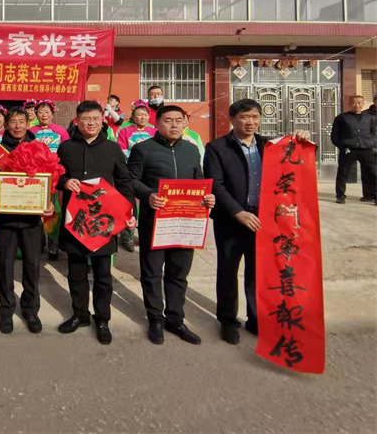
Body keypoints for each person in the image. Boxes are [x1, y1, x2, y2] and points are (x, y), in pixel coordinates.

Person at [204, 99, 311, 344]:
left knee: (258, 272)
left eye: (254, 117)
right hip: (231, 220)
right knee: (228, 271)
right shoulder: (217, 147)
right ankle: (227, 320)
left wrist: (301, 139)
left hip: (264, 221)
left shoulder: (270, 146)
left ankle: (255, 318)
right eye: (244, 117)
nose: (250, 122)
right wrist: (238, 212)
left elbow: (296, 162)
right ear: (232, 119)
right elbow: (215, 185)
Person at [128, 105, 215, 345]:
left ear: (185, 123)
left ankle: (175, 319)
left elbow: (199, 180)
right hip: (155, 221)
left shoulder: (191, 149)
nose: (174, 124)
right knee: (152, 273)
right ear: (157, 123)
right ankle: (155, 318)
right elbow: (131, 180)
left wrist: (207, 197)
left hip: (186, 223)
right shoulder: (143, 149)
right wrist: (148, 195)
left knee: (178, 274)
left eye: (179, 120)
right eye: (168, 120)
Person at [56, 100, 136, 345]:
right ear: (77, 121)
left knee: (103, 274)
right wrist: (65, 182)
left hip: (103, 222)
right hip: (75, 221)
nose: (90, 123)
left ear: (102, 120)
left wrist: (129, 211)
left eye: (94, 119)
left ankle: (102, 319)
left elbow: (124, 181)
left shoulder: (112, 148)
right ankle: (80, 315)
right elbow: (56, 174)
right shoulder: (66, 147)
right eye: (85, 119)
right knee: (76, 272)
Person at [0, 107, 55, 334]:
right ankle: (6, 309)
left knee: (32, 265)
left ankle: (31, 309)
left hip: (32, 219)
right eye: (13, 121)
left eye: (21, 121)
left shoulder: (39, 149)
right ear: (6, 125)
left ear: (28, 123)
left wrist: (50, 202)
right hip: (5, 218)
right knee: (4, 265)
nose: (17, 126)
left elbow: (50, 179)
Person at [30, 100, 70, 260]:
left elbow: (66, 154)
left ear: (52, 114)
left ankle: (53, 245)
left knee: (54, 210)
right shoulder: (31, 131)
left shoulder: (61, 131)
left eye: (47, 112)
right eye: (40, 112)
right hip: (35, 177)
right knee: (36, 210)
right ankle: (38, 243)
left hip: (55, 176)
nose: (44, 115)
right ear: (36, 114)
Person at [331, 95, 377, 204]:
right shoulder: (342, 118)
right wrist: (342, 146)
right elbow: (335, 135)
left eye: (359, 102)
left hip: (366, 148)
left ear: (363, 103)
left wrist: (372, 143)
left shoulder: (370, 118)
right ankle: (340, 195)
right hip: (349, 149)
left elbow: (374, 133)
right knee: (343, 173)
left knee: (373, 173)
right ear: (349, 104)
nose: (357, 105)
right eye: (354, 103)